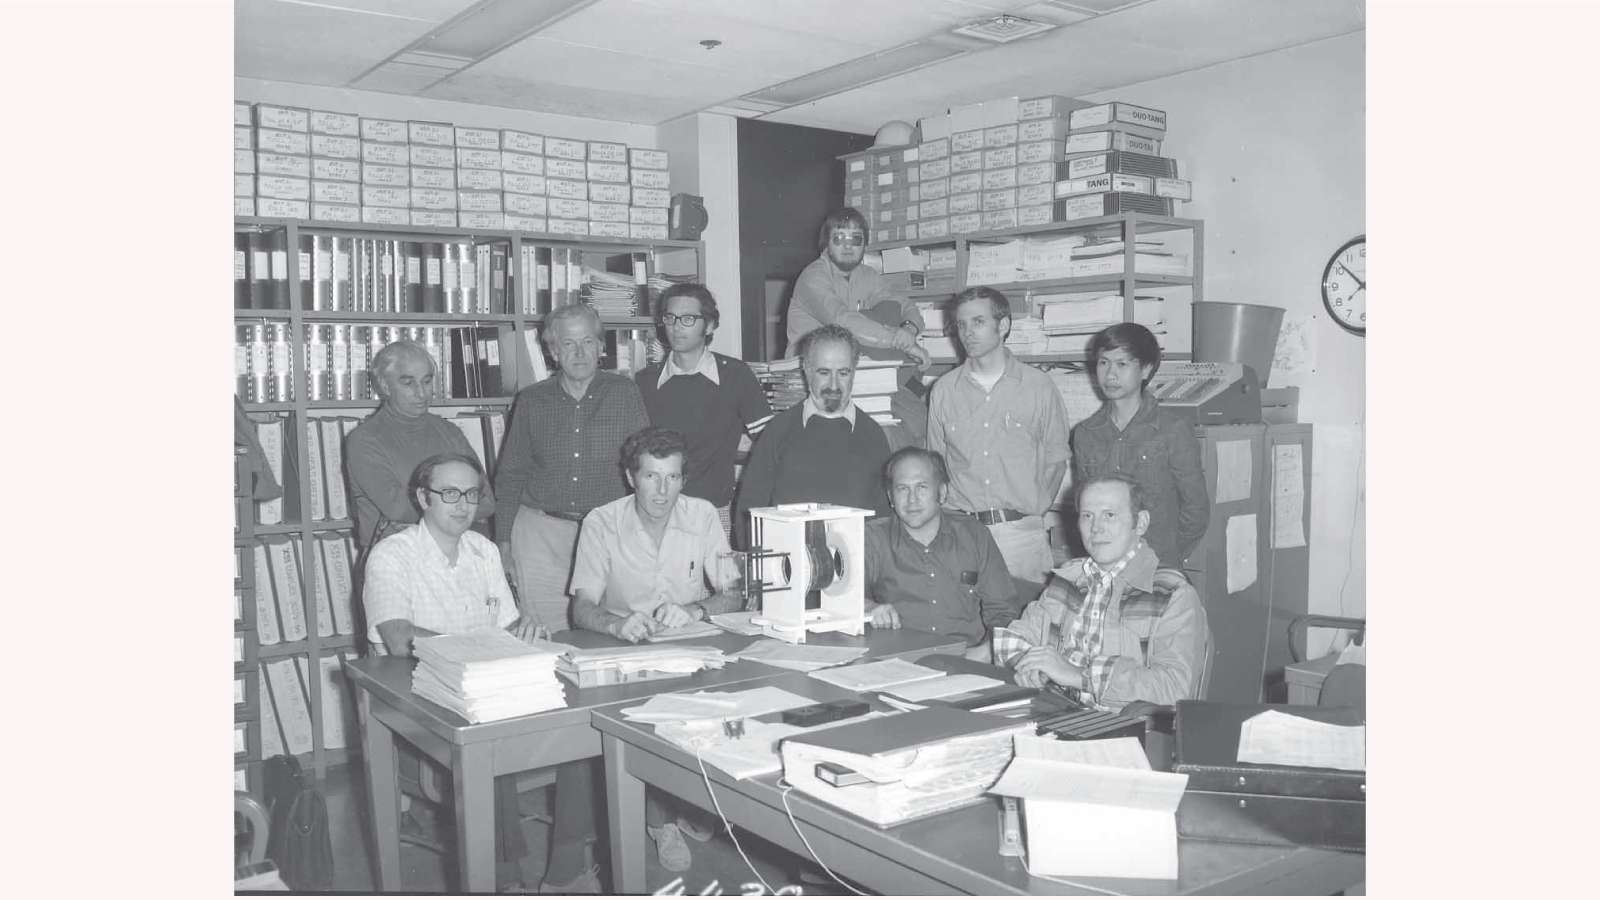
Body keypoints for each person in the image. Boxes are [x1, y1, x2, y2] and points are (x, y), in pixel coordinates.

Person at [360, 452, 541, 891]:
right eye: (449, 493)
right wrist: (480, 648)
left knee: (581, 723)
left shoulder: (483, 550)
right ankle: (501, 879)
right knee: (484, 743)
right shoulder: (391, 555)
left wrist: (527, 632)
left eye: (472, 494)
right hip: (417, 693)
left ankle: (567, 865)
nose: (463, 504)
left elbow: (507, 626)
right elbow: (402, 640)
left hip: (485, 689)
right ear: (423, 498)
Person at [569, 427, 744, 872]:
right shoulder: (601, 521)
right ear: (632, 478)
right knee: (649, 723)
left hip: (689, 649)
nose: (662, 490)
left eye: (672, 477)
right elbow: (581, 609)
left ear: (684, 478)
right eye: (651, 477)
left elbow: (735, 593)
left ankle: (683, 804)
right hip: (623, 650)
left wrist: (698, 609)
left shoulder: (703, 515)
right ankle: (659, 822)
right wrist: (616, 623)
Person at [493, 302, 650, 633]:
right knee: (544, 636)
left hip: (607, 535)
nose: (579, 352)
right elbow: (511, 475)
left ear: (601, 346)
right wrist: (503, 544)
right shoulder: (532, 400)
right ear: (552, 350)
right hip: (541, 538)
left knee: (611, 630)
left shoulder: (625, 394)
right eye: (568, 343)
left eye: (588, 342)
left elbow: (646, 469)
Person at [994, 473, 1209, 712]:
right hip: (1053, 710)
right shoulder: (1070, 577)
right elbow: (1018, 636)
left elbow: (1174, 688)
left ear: (1140, 523)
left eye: (1110, 515)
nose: (1096, 528)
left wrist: (1079, 676)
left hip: (1122, 729)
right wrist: (1029, 664)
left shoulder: (1172, 595)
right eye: (1087, 516)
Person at [926, 286, 1071, 583]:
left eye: (978, 322)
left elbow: (1057, 458)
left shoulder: (1038, 387)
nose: (967, 332)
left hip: (1022, 537)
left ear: (1003, 326)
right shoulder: (944, 390)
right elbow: (935, 463)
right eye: (961, 324)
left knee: (1026, 624)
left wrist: (1036, 508)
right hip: (962, 532)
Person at [786, 207, 931, 450]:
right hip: (811, 378)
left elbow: (903, 304)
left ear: (864, 244)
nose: (847, 246)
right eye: (839, 238)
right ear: (825, 244)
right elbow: (841, 319)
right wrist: (898, 339)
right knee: (882, 439)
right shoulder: (813, 276)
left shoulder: (865, 275)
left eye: (856, 239)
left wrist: (909, 329)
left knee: (923, 425)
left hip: (859, 374)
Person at [635, 283, 772, 539]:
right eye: (671, 318)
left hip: (712, 510)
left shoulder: (734, 375)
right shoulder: (645, 381)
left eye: (688, 318)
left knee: (715, 579)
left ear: (708, 326)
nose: (676, 326)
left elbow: (770, 441)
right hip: (656, 511)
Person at [735, 324, 891, 547]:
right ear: (806, 370)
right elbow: (749, 510)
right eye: (824, 372)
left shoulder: (874, 435)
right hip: (786, 565)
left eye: (843, 373)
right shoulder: (778, 430)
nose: (834, 385)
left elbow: (883, 519)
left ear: (854, 371)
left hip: (856, 566)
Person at [1072, 322, 1210, 568]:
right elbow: (1086, 507)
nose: (1110, 374)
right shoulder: (1085, 434)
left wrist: (1167, 556)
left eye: (1122, 364)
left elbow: (1196, 509)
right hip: (1104, 565)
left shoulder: (1172, 430)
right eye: (1104, 363)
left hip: (1158, 566)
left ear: (1145, 370)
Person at [863, 447, 1020, 662]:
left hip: (969, 659)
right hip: (899, 663)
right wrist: (868, 607)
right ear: (890, 497)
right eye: (902, 489)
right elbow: (845, 599)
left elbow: (1003, 610)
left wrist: (988, 651)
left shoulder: (974, 535)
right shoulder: (873, 538)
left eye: (922, 487)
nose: (912, 499)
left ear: (942, 493)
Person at [346, 340, 493, 551]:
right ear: (385, 386)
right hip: (397, 561)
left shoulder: (450, 432)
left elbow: (486, 501)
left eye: (426, 381)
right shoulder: (364, 439)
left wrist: (422, 511)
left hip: (457, 557)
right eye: (408, 383)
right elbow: (398, 509)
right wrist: (462, 502)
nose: (422, 393)